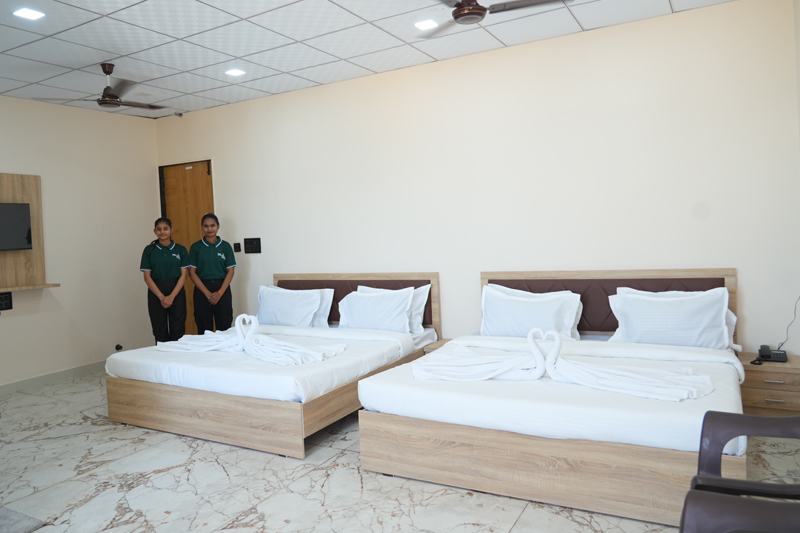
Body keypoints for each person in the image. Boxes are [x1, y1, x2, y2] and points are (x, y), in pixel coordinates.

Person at [140, 217, 189, 343]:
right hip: (156, 291)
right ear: (154, 231)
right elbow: (147, 277)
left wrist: (171, 297)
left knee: (178, 330)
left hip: (176, 291)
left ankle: (177, 355)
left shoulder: (180, 250)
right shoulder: (149, 250)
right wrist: (161, 297)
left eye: (165, 229)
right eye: (159, 229)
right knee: (159, 330)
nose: (162, 232)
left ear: (171, 230)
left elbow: (183, 276)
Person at [188, 213, 236, 333]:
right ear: (202, 227)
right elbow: (192, 272)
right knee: (204, 328)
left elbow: (230, 271)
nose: (209, 229)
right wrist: (207, 293)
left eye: (212, 225)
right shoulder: (196, 247)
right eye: (206, 226)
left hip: (222, 288)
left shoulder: (225, 246)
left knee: (224, 327)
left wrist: (219, 293)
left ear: (218, 226)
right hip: (202, 289)